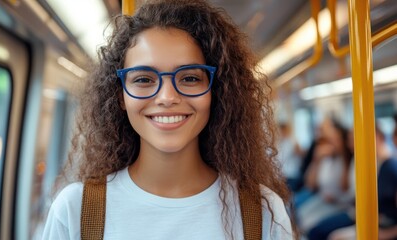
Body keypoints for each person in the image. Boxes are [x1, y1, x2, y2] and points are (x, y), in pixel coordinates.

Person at [41, 0, 294, 239]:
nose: (167, 97)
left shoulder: (261, 211)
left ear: (215, 92)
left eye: (190, 78)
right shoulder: (76, 210)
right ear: (120, 97)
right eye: (143, 79)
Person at [310, 126, 397, 240]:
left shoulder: (390, 168)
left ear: (379, 138)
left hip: (380, 224)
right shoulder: (375, 164)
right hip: (369, 217)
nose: (353, 145)